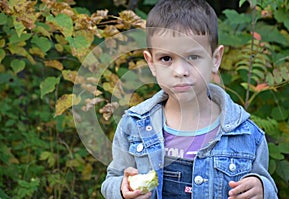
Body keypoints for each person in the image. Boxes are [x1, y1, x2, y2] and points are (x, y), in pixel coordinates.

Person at [101, 0, 278, 198]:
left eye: (193, 57)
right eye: (166, 59)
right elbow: (113, 179)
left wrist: (262, 189)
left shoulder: (245, 135)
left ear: (215, 59)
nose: (180, 71)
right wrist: (122, 189)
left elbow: (265, 184)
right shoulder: (134, 127)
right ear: (151, 63)